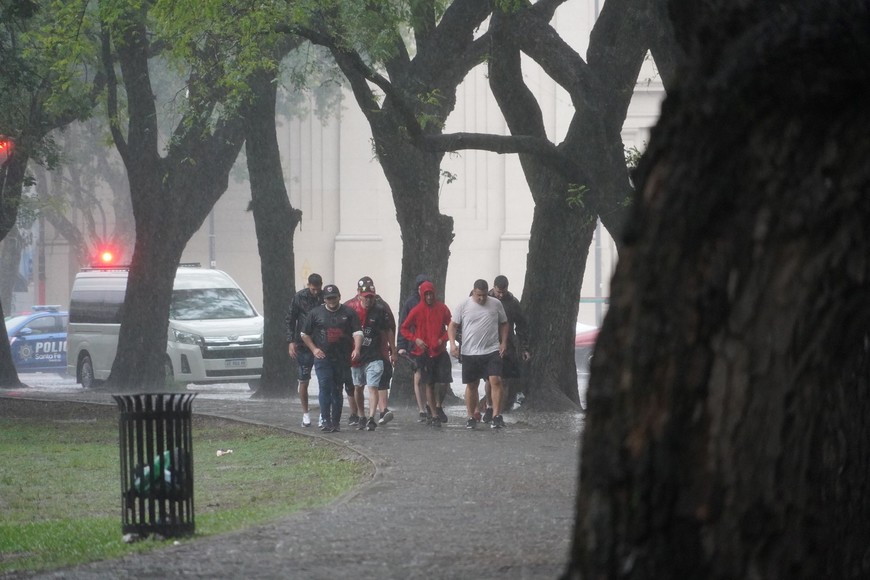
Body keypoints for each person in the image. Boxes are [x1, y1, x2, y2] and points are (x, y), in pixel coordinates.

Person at [300, 284, 362, 433]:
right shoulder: (315, 313)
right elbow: (304, 334)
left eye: (334, 297)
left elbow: (358, 332)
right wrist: (314, 349)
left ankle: (335, 422)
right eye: (328, 298)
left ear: (339, 297)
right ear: (324, 299)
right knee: (324, 386)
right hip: (323, 358)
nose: (331, 301)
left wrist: (357, 349)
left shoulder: (349, 313)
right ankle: (325, 420)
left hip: (342, 357)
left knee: (337, 389)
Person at [448, 279, 508, 429]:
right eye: (478, 295)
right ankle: (470, 416)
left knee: (496, 380)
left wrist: (504, 342)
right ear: (473, 292)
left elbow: (504, 323)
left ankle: (496, 415)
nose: (481, 298)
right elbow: (453, 326)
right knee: (472, 384)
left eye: (484, 295)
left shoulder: (495, 304)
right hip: (470, 351)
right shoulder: (464, 305)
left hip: (492, 349)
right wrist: (453, 344)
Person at [345, 276, 397, 431]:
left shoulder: (380, 309)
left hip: (375, 354)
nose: (368, 300)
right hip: (356, 356)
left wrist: (392, 351)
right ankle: (360, 415)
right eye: (366, 297)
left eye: (371, 297)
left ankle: (372, 417)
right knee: (357, 387)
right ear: (359, 294)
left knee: (373, 386)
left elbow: (389, 329)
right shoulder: (349, 308)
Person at [400, 280, 452, 427]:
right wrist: (415, 339)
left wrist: (443, 339)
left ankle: (438, 405)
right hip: (424, 352)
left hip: (440, 351)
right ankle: (434, 415)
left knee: (444, 381)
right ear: (422, 295)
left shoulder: (442, 308)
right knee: (429, 383)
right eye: (426, 294)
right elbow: (404, 328)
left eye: (431, 294)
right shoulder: (416, 310)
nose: (429, 297)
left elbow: (451, 325)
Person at [480, 275, 530, 422]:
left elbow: (522, 326)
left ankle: (498, 411)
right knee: (490, 379)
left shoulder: (513, 303)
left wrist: (524, 348)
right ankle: (490, 407)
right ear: (493, 288)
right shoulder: (484, 299)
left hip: (507, 345)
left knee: (505, 380)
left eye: (503, 291)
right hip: (487, 344)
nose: (500, 295)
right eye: (498, 291)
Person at [285, 273, 323, 427]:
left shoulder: (324, 296)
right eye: (313, 289)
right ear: (308, 286)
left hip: (321, 343)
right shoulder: (299, 297)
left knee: (324, 380)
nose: (315, 292)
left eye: (317, 289)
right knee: (304, 379)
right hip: (302, 344)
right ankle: (305, 413)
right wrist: (291, 341)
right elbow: (290, 319)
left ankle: (323, 413)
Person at [397, 274, 436, 422]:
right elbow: (403, 325)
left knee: (432, 378)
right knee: (419, 375)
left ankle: (432, 406)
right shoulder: (410, 303)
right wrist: (401, 345)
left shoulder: (434, 302)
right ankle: (422, 409)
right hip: (415, 344)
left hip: (432, 345)